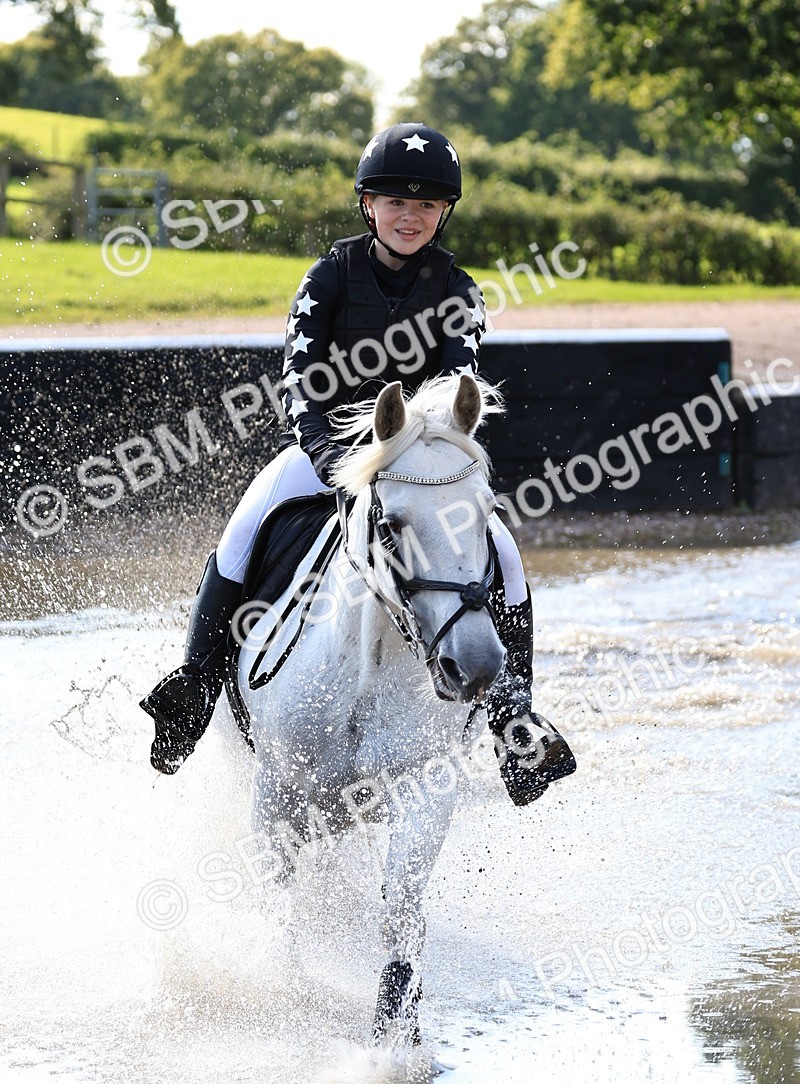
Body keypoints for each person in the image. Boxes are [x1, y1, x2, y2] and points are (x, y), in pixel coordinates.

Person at [140, 122, 576, 804]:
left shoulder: (460, 290)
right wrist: (328, 453)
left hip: (416, 463)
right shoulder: (328, 277)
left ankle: (512, 713)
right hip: (326, 452)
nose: (411, 216)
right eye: (396, 202)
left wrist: (416, 460)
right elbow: (300, 379)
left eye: (427, 205)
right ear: (368, 205)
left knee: (502, 548)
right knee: (245, 527)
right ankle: (194, 682)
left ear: (443, 214)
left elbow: (456, 389)